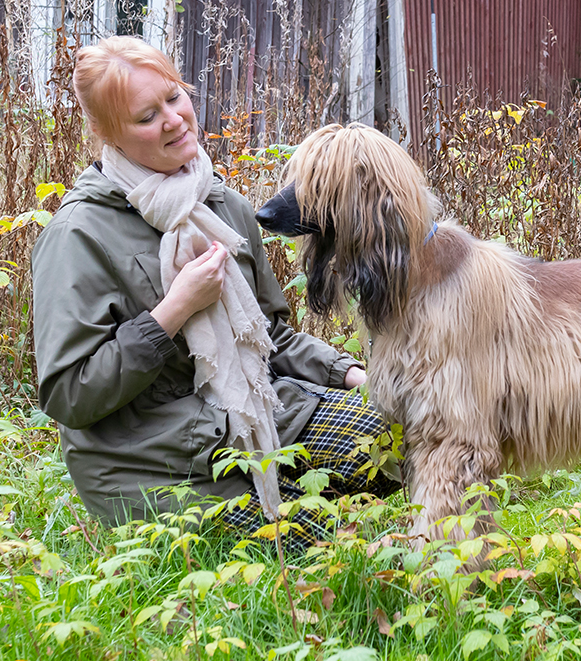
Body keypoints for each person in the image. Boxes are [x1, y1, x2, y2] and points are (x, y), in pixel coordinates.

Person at [31, 36, 400, 545]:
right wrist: (174, 310)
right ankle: (298, 508)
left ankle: (303, 486)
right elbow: (69, 394)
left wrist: (356, 374)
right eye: (145, 117)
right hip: (155, 459)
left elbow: (274, 336)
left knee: (402, 436)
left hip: (262, 413)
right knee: (323, 549)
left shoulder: (223, 206)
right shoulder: (78, 234)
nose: (174, 120)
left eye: (174, 97)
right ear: (105, 132)